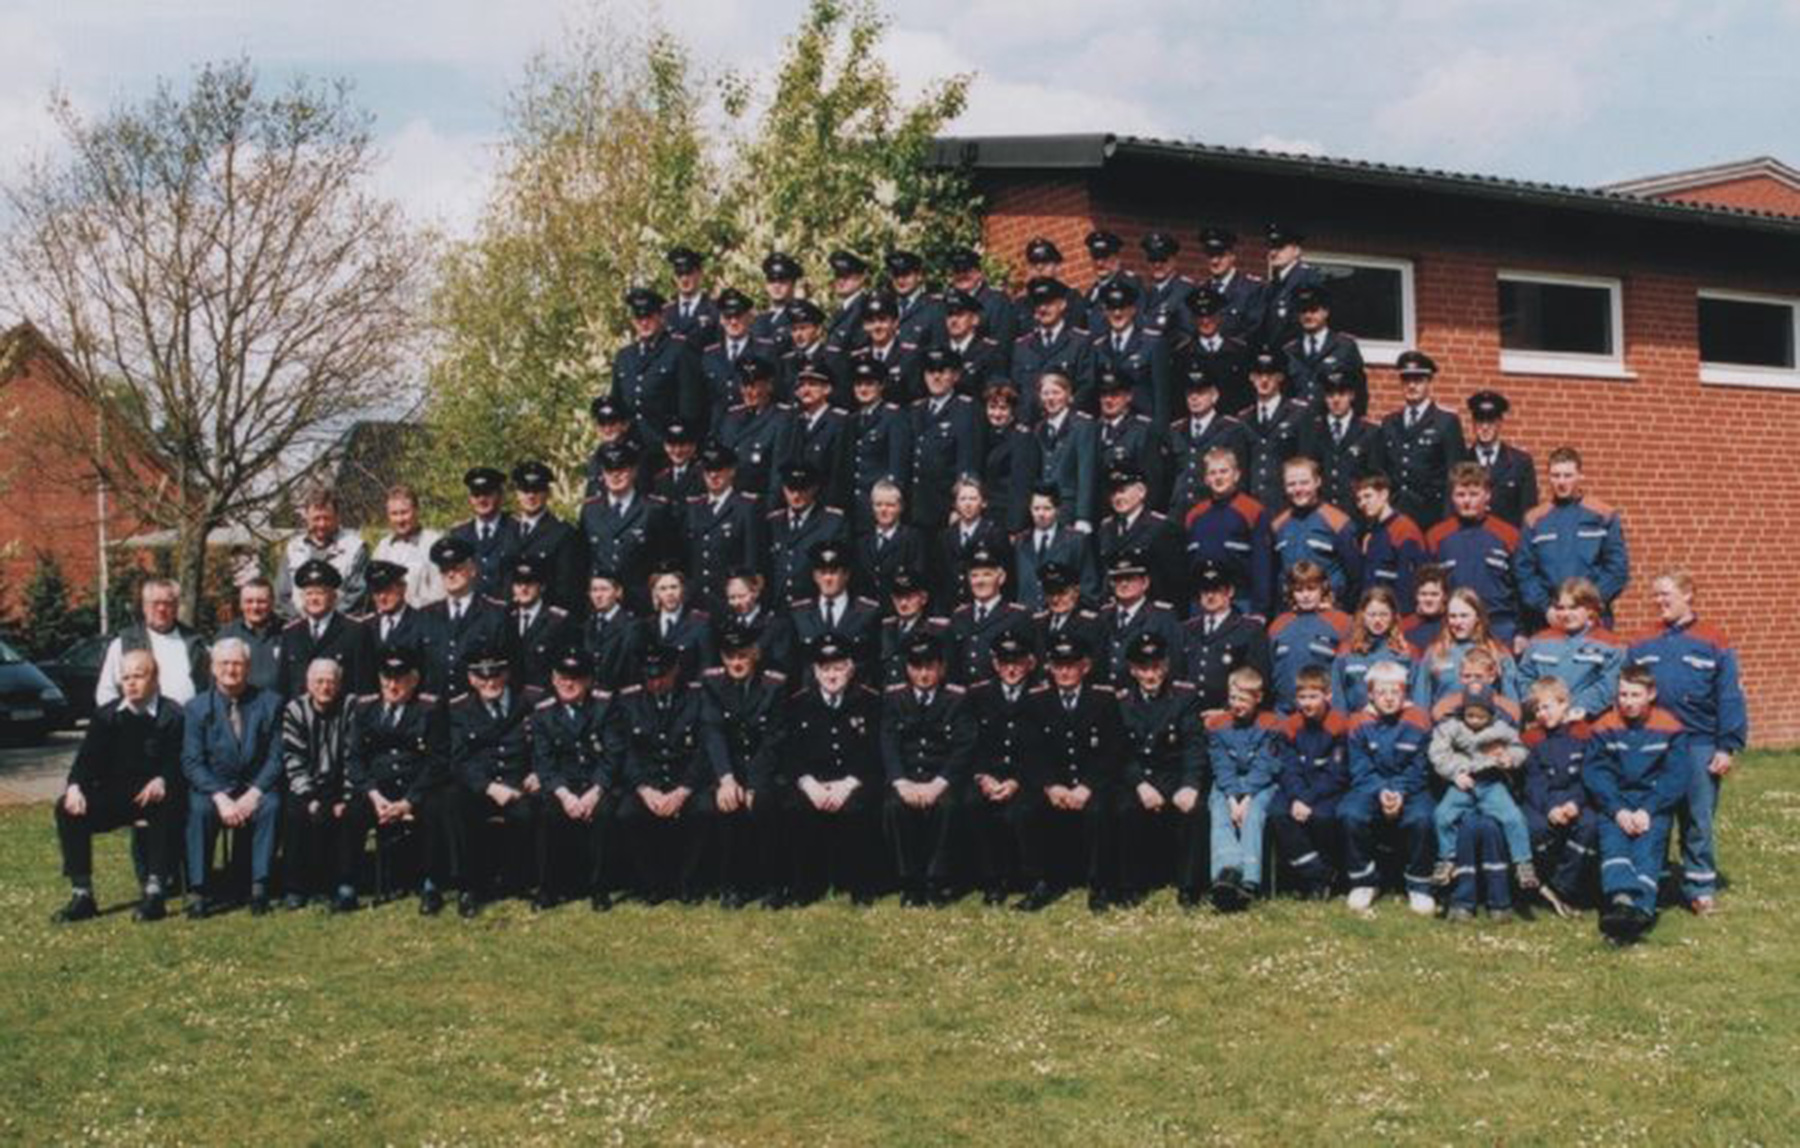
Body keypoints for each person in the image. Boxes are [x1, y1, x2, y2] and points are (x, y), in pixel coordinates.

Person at [1627, 570, 1748, 915]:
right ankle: (1655, 880)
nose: (1659, 601)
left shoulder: (1714, 641)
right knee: (1654, 812)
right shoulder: (1641, 642)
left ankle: (1699, 886)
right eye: (1655, 595)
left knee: (1697, 817)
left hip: (1699, 743)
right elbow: (1626, 692)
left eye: (1666, 594)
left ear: (1688, 595)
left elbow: (1729, 697)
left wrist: (1726, 746)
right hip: (1655, 743)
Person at [51, 650, 183, 924]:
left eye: (138, 675)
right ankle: (82, 894)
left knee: (164, 803)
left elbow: (178, 760)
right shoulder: (106, 716)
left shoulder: (173, 715)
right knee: (67, 809)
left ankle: (155, 892)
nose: (131, 683)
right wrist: (75, 787)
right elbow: (85, 761)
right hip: (114, 796)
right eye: (126, 677)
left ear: (155, 678)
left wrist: (163, 779)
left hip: (155, 795)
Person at [341, 648, 454, 915]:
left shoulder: (430, 708)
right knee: (352, 813)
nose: (392, 685)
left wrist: (409, 801)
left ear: (414, 680)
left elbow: (438, 761)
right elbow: (354, 759)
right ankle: (346, 886)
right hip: (377, 791)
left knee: (435, 809)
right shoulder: (365, 708)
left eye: (400, 679)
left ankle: (430, 885)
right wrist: (374, 795)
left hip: (416, 789)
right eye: (387, 678)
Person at [1019, 634, 1124, 913]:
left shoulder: (1103, 699)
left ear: (1085, 667)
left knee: (1100, 811)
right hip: (1055, 786)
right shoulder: (1035, 701)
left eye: (1071, 665)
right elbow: (1031, 751)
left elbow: (1113, 751)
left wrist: (1087, 787)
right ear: (1050, 668)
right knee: (1028, 809)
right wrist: (1051, 786)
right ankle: (1042, 882)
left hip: (1091, 785)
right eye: (1058, 665)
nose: (1064, 672)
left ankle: (1099, 885)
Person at [1586, 665, 1689, 944]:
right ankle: (1620, 903)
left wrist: (1649, 809)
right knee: (1615, 846)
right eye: (1622, 694)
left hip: (1652, 803)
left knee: (1648, 848)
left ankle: (1640, 910)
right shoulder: (1604, 726)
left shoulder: (1670, 727)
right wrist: (1617, 809)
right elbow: (1597, 773)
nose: (1628, 702)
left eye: (1635, 694)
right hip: (1616, 803)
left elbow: (1676, 775)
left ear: (1651, 694)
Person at [181, 638, 284, 918]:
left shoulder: (270, 703)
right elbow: (192, 762)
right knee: (199, 810)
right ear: (213, 668)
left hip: (254, 786)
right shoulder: (195, 708)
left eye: (237, 663)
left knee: (272, 806)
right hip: (214, 789)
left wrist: (255, 793)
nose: (231, 669)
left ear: (248, 667)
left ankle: (259, 886)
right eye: (224, 663)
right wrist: (220, 797)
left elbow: (277, 757)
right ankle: (199, 890)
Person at [783, 635, 882, 906]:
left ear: (850, 668)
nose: (832, 675)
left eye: (838, 668)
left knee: (857, 809)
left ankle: (861, 888)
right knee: (796, 808)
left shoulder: (870, 701)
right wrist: (809, 784)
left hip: (854, 781)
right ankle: (805, 887)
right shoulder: (798, 703)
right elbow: (790, 751)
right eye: (825, 669)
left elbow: (875, 750)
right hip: (814, 782)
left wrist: (848, 784)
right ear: (815, 671)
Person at [881, 632, 976, 906]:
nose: (923, 674)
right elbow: (888, 742)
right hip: (907, 778)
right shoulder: (894, 698)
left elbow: (964, 746)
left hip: (942, 778)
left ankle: (936, 880)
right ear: (908, 668)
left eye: (929, 666)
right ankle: (910, 882)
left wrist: (938, 783)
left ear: (941, 667)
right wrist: (901, 782)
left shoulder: (957, 698)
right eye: (917, 667)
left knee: (948, 807)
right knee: (894, 807)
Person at [698, 624, 789, 908]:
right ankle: (732, 885)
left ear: (755, 654)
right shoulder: (712, 684)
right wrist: (726, 779)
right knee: (725, 804)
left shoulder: (774, 685)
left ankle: (772, 884)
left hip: (766, 768)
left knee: (763, 804)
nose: (736, 663)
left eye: (742, 656)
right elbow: (713, 733)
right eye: (730, 657)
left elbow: (775, 739)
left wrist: (754, 783)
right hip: (729, 768)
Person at [1114, 632, 1207, 906]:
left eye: (1156, 667)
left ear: (1165, 666)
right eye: (1143, 668)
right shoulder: (1121, 701)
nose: (1150, 674)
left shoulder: (1185, 697)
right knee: (1125, 809)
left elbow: (1194, 746)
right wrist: (1141, 785)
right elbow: (1119, 752)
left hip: (1174, 776)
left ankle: (1189, 886)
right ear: (1132, 670)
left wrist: (1189, 786)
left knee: (1196, 810)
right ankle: (1132, 884)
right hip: (1138, 778)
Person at [450, 651, 544, 916]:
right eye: (482, 676)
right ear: (471, 678)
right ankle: (469, 887)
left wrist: (538, 772)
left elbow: (545, 741)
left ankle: (524, 881)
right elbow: (459, 760)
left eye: (496, 675)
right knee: (458, 805)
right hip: (481, 787)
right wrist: (489, 787)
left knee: (532, 812)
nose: (490, 682)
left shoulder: (529, 702)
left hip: (520, 784)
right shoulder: (459, 709)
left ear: (507, 674)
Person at [1341, 660, 1437, 915]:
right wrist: (1382, 791)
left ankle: (1419, 885)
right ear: (1370, 693)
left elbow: (1420, 768)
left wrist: (1399, 791)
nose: (1389, 698)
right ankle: (1364, 882)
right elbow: (1359, 769)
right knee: (1350, 814)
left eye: (1395, 692)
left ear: (1404, 692)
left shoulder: (1419, 718)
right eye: (1382, 692)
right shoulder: (1358, 721)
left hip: (1411, 788)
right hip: (1370, 786)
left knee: (1423, 819)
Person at [534, 652, 622, 911]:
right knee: (548, 813)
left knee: (604, 813)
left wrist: (594, 793)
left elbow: (613, 754)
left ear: (589, 681)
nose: (568, 684)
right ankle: (548, 888)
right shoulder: (543, 713)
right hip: (563, 786)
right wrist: (566, 796)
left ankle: (599, 888)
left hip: (598, 783)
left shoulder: (605, 707)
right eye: (562, 678)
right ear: (553, 679)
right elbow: (544, 761)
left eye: (576, 679)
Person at [1427, 685, 1536, 894]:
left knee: (1513, 817)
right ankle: (1446, 859)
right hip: (1462, 782)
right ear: (1463, 711)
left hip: (1491, 782)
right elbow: (1438, 753)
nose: (1475, 720)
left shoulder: (1501, 728)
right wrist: (1454, 773)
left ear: (1491, 713)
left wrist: (1509, 759)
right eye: (1470, 715)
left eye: (1481, 716)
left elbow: (1519, 747)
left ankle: (1523, 863)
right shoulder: (1451, 726)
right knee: (1442, 815)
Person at [1516, 446, 1630, 629]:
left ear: (1580, 476)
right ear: (1549, 478)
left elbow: (1617, 570)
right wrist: (1547, 608)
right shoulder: (1534, 519)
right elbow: (1524, 572)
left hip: (1594, 620)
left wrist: (1589, 605)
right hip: (1549, 620)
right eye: (1555, 475)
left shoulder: (1603, 515)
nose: (1561, 482)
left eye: (1567, 475)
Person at [966, 633, 1042, 905]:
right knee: (973, 804)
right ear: (995, 664)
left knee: (1022, 811)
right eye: (1005, 662)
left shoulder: (1042, 694)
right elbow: (970, 743)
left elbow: (1045, 748)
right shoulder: (978, 694)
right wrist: (982, 777)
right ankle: (994, 880)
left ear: (1030, 663)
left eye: (1018, 662)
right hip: (988, 775)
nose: (1011, 669)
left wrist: (1016, 781)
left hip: (1027, 778)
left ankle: (1034, 881)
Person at [1203, 665, 1285, 911]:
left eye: (1242, 698)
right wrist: (1231, 798)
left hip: (1259, 784)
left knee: (1255, 813)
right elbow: (1221, 764)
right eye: (1232, 698)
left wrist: (1247, 796)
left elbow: (1266, 764)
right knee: (1219, 810)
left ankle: (1249, 879)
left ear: (1257, 698)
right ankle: (1227, 873)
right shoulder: (1218, 725)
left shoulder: (1271, 724)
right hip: (1228, 784)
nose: (1236, 703)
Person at [279, 657, 356, 910]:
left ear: (339, 684)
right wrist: (310, 798)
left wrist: (345, 797)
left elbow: (353, 756)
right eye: (319, 682)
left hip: (339, 782)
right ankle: (295, 887)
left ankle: (340, 884)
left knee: (347, 814)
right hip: (306, 783)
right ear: (308, 684)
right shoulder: (295, 710)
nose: (325, 687)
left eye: (331, 682)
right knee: (295, 813)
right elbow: (293, 759)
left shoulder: (350, 708)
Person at [1269, 666, 1350, 899]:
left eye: (1313, 696)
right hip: (1297, 789)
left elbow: (1337, 775)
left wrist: (1306, 799)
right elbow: (1288, 768)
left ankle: (1326, 873)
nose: (1307, 703)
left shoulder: (1338, 725)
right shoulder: (1291, 726)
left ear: (1328, 696)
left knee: (1323, 817)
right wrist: (1296, 797)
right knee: (1277, 812)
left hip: (1326, 790)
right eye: (1302, 697)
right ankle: (1317, 874)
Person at [1519, 677, 1596, 917]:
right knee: (1537, 828)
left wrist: (1575, 802)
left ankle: (1562, 886)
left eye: (1547, 706)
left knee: (1589, 825)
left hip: (1576, 797)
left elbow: (1588, 775)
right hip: (1543, 799)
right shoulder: (1532, 739)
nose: (1541, 714)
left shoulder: (1583, 735)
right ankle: (1543, 880)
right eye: (1537, 709)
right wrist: (1551, 806)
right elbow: (1533, 781)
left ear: (1564, 704)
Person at [1426, 463, 1524, 642]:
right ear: (1452, 497)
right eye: (1460, 495)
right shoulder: (1436, 536)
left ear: (1487, 495)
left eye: (1473, 494)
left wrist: (1522, 632)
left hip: (1499, 627)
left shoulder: (1509, 535)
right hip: (1453, 628)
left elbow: (1521, 588)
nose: (1467, 501)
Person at [580, 440, 677, 614]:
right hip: (600, 603)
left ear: (634, 471)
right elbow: (583, 558)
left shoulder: (654, 509)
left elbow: (667, 558)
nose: (615, 476)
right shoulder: (590, 510)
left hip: (640, 603)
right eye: (610, 471)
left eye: (622, 470)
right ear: (602, 474)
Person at [613, 285, 707, 458]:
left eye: (649, 316)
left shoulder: (679, 350)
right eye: (639, 318)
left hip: (667, 448)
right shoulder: (624, 356)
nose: (644, 322)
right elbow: (617, 404)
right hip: (630, 449)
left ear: (661, 317)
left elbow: (690, 407)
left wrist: (682, 445)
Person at [1181, 447, 1274, 618]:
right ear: (1206, 479)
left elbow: (1262, 565)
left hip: (1240, 600)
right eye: (1213, 473)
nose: (1218, 477)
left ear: (1236, 475)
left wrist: (1260, 610)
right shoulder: (1194, 515)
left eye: (1224, 471)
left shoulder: (1253, 510)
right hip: (1201, 602)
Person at [1377, 350, 1465, 529]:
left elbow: (1455, 474)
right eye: (1407, 380)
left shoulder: (1446, 422)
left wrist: (1449, 521)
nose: (1412, 386)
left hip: (1431, 516)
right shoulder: (1389, 422)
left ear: (1429, 382)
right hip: (1394, 514)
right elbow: (1382, 471)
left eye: (1418, 380)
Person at [1516, 578, 1625, 719]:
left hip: (1587, 723)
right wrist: (1541, 705)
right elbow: (1525, 677)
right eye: (1560, 608)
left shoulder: (1610, 644)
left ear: (1590, 609)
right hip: (1543, 720)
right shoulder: (1539, 641)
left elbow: (1608, 686)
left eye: (1573, 608)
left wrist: (1570, 709)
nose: (1566, 614)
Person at [95, 578, 208, 708]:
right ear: (144, 607)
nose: (161, 608)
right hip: (143, 723)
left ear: (176, 606)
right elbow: (106, 691)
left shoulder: (195, 641)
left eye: (168, 603)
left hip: (188, 722)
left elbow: (208, 686)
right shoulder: (124, 643)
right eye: (155, 603)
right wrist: (122, 719)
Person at [1179, 560, 1273, 717]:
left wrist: (1226, 711)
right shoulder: (1187, 629)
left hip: (1231, 716)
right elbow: (1179, 675)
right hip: (1190, 715)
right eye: (1205, 590)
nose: (1210, 595)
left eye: (1217, 590)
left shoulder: (1249, 629)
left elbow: (1258, 679)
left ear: (1230, 592)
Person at [420, 536, 507, 700]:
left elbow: (507, 667)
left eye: (457, 568)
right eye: (445, 570)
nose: (451, 574)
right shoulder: (426, 615)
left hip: (477, 709)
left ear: (473, 570)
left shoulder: (495, 614)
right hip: (436, 709)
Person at [1270, 456, 1362, 609]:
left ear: (1318, 482)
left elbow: (1356, 577)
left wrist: (1340, 605)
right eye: (1291, 484)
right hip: (1290, 613)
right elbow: (1274, 575)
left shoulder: (1338, 522)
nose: (1298, 489)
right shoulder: (1278, 525)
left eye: (1304, 483)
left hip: (1330, 612)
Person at [685, 441, 766, 614]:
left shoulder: (746, 507)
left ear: (731, 471)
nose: (713, 476)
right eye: (708, 471)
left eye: (719, 470)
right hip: (699, 600)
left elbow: (751, 557)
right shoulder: (694, 506)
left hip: (732, 599)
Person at [277, 559, 374, 699]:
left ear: (333, 596)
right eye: (309, 593)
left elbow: (365, 687)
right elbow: (283, 686)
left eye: (320, 593)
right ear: (302, 597)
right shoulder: (290, 633)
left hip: (342, 717)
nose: (314, 599)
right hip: (300, 716)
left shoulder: (355, 631)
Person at [1095, 462, 1185, 610]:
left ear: (1141, 491)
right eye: (1113, 492)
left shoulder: (1162, 528)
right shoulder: (1105, 529)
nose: (1117, 497)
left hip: (1151, 615)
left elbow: (1175, 584)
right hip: (1114, 615)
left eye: (1122, 490)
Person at [1267, 561, 1353, 714]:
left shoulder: (1342, 622)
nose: (1305, 595)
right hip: (1284, 713)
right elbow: (1271, 669)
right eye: (1299, 590)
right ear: (1290, 592)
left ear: (1323, 588)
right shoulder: (1278, 625)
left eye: (1311, 589)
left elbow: (1347, 673)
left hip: (1326, 714)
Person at [909, 348, 981, 529]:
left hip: (945, 507)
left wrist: (958, 507)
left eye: (942, 371)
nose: (936, 377)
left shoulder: (966, 410)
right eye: (930, 371)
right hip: (914, 506)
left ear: (955, 376)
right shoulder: (915, 409)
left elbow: (967, 461)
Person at [1412, 591, 1520, 710]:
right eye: (1453, 616)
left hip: (1487, 723)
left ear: (1478, 617)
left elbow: (1512, 704)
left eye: (1464, 615)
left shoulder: (1497, 651)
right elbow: (1420, 702)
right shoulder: (1436, 652)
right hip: (1445, 724)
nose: (1458, 622)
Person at [1167, 366, 1253, 515]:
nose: (1194, 398)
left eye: (1200, 392)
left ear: (1214, 396)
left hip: (1215, 507)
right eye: (1190, 393)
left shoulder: (1231, 429)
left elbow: (1241, 476)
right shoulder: (1176, 429)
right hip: (1179, 510)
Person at [276, 486, 369, 618]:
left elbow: (357, 594)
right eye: (316, 518)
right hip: (298, 627)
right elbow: (282, 595)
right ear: (306, 517)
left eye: (327, 518)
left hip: (340, 629)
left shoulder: (355, 547)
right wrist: (302, 624)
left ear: (337, 517)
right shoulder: (293, 548)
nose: (321, 524)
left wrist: (326, 623)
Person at [1092, 281, 1175, 428]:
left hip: (1144, 429)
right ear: (1104, 311)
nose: (1117, 313)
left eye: (1122, 308)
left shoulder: (1152, 344)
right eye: (1112, 308)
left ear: (1133, 310)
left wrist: (1159, 435)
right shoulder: (1098, 347)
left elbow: (1161, 397)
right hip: (1109, 429)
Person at [946, 543, 1031, 685]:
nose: (980, 581)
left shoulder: (1018, 616)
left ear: (1001, 577)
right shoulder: (959, 616)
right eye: (974, 575)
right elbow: (951, 663)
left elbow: (1029, 664)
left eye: (987, 574)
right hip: (964, 697)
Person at [1096, 551, 1184, 688]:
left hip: (1144, 697)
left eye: (1130, 578)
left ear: (1145, 583)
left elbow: (1174, 664)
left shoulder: (1163, 616)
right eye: (1118, 579)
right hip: (1107, 698)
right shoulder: (1104, 615)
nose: (1124, 584)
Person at [765, 462, 849, 606]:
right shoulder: (773, 522)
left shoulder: (832, 522)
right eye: (791, 489)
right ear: (784, 489)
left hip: (812, 610)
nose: (796, 495)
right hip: (777, 607)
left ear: (814, 488)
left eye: (802, 489)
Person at [1011, 278, 1095, 420]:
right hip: (1033, 427)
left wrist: (1061, 418)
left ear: (1062, 305)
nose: (1043, 309)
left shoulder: (1080, 342)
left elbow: (1086, 387)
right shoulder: (1022, 346)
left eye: (1049, 303)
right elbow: (1018, 389)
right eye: (1039, 304)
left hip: (1070, 427)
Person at [510, 460, 587, 613]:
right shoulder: (506, 530)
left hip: (545, 621)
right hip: (508, 621)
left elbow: (567, 588)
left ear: (548, 493)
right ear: (517, 494)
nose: (531, 496)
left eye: (537, 490)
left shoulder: (564, 533)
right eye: (525, 490)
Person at [1240, 350, 1312, 511]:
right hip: (1252, 505)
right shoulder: (1244, 418)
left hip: (1286, 505)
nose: (1264, 380)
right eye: (1258, 375)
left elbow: (1306, 460)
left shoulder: (1298, 414)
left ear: (1280, 377)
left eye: (1270, 375)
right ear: (1251, 378)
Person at [846, 360, 913, 533]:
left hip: (880, 506)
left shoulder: (894, 417)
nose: (863, 389)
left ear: (881, 386)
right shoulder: (852, 419)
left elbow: (898, 467)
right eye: (858, 384)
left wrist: (888, 504)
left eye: (869, 384)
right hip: (853, 506)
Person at [718, 355, 798, 499]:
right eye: (745, 386)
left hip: (758, 501)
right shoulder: (732, 416)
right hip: (730, 500)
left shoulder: (782, 418)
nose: (748, 392)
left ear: (769, 386)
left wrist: (771, 508)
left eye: (754, 386)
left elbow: (778, 471)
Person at [1283, 285, 1368, 415]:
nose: (1308, 315)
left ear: (1326, 312)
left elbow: (1359, 392)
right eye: (1303, 311)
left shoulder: (1345, 347)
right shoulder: (1289, 351)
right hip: (1299, 426)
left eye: (1313, 310)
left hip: (1331, 424)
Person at [1032, 370, 1100, 532]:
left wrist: (1083, 516)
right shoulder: (1038, 428)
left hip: (1069, 506)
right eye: (1046, 393)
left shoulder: (1083, 426)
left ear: (1068, 395)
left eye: (1056, 392)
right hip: (1043, 509)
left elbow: (1086, 473)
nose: (1050, 398)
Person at [1330, 587, 1415, 714]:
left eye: (1383, 614)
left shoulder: (1404, 653)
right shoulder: (1347, 653)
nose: (1377, 620)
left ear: (1393, 616)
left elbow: (1413, 698)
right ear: (1363, 615)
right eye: (1372, 614)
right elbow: (1338, 700)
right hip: (1356, 727)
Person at [1016, 485, 1101, 610]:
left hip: (1063, 617)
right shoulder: (1021, 542)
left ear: (1058, 510)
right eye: (1036, 508)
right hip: (1027, 619)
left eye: (1047, 508)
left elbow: (1088, 585)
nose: (1041, 514)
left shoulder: (1076, 540)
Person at [1353, 473, 1427, 616]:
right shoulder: (1371, 532)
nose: (1362, 503)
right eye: (1359, 499)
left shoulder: (1404, 530)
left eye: (1368, 496)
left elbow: (1409, 585)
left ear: (1384, 494)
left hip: (1396, 616)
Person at [1461, 391, 1537, 528]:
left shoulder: (1520, 462)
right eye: (1480, 421)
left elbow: (1528, 511)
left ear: (1500, 423)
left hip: (1507, 542)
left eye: (1491, 421)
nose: (1485, 427)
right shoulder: (1461, 461)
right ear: (1472, 423)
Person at [1310, 370, 1382, 508]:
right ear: (1325, 398)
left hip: (1356, 513)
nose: (1336, 400)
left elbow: (1375, 478)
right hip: (1320, 512)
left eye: (1342, 394)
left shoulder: (1370, 433)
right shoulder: (1313, 431)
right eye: (1331, 395)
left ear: (1351, 396)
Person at [978, 376, 1041, 536]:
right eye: (992, 407)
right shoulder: (984, 434)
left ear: (1013, 410)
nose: (997, 413)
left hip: (1006, 518)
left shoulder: (1022, 438)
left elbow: (1021, 488)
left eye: (1003, 408)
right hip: (986, 515)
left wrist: (1015, 528)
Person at [450, 466, 521, 602]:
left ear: (500, 496)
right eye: (476, 495)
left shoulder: (517, 529)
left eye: (488, 493)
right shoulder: (459, 534)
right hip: (473, 616)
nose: (482, 500)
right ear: (470, 499)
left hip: (509, 613)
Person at [506, 555, 576, 691]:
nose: (523, 589)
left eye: (529, 584)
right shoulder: (506, 618)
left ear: (542, 587)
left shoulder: (559, 622)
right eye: (518, 584)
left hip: (545, 696)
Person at [371, 484, 446, 609]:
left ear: (416, 511)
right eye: (394, 514)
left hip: (424, 618)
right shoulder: (383, 547)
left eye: (404, 512)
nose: (400, 519)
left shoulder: (434, 543)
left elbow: (440, 594)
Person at [855, 481, 929, 607]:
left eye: (890, 505)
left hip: (899, 609)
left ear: (901, 507)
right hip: (866, 611)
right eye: (878, 505)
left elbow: (917, 577)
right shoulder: (862, 541)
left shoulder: (912, 539)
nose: (883, 510)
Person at [640, 563, 714, 685]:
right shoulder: (647, 626)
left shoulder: (700, 623)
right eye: (663, 588)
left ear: (683, 589)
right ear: (655, 593)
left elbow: (707, 668)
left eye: (674, 587)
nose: (670, 593)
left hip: (689, 697)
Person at [1259, 222, 1325, 348]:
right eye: (1271, 247)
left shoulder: (1308, 278)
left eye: (1280, 247)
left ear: (1296, 251)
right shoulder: (1274, 283)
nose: (1273, 252)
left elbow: (1312, 321)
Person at [1197, 226, 1264, 344]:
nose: (1215, 261)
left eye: (1221, 255)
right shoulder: (1199, 291)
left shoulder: (1252, 289)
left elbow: (1254, 331)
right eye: (1211, 256)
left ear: (1232, 256)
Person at [215, 577, 282, 692]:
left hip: (279, 706)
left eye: (261, 601)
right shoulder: (226, 635)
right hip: (240, 706)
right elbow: (215, 679)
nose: (255, 607)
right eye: (249, 601)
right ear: (241, 604)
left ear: (272, 602)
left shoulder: (287, 632)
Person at [944, 246, 1016, 348]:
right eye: (957, 271)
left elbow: (1002, 345)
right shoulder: (944, 303)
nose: (962, 275)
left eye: (967, 270)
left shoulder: (997, 301)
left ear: (979, 273)